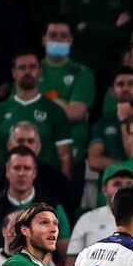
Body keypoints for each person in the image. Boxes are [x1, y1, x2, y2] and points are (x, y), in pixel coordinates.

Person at [0, 147, 72, 266]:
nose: (21, 173)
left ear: (34, 173)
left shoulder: (55, 211)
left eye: (27, 168)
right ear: (7, 170)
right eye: (16, 168)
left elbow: (67, 258)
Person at [0, 50, 73, 191]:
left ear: (40, 71)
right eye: (22, 67)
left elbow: (65, 157)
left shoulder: (55, 111)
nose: (28, 71)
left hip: (47, 186)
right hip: (6, 186)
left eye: (32, 67)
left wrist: (64, 190)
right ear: (13, 72)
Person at [60, 0, 133, 90]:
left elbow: (125, 35)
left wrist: (87, 27)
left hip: (114, 67)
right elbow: (68, 33)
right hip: (79, 65)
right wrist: (113, 28)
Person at [40, 20, 97, 166]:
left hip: (73, 154)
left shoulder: (83, 73)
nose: (58, 40)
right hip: (38, 153)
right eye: (53, 35)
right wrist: (61, 103)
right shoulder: (31, 70)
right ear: (44, 39)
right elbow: (23, 108)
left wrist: (42, 101)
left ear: (71, 41)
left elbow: (74, 113)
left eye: (63, 36)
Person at [88, 66, 133, 173]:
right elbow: (94, 161)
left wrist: (124, 120)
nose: (125, 89)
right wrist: (130, 168)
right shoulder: (102, 123)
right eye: (120, 84)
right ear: (112, 91)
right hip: (111, 183)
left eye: (131, 84)